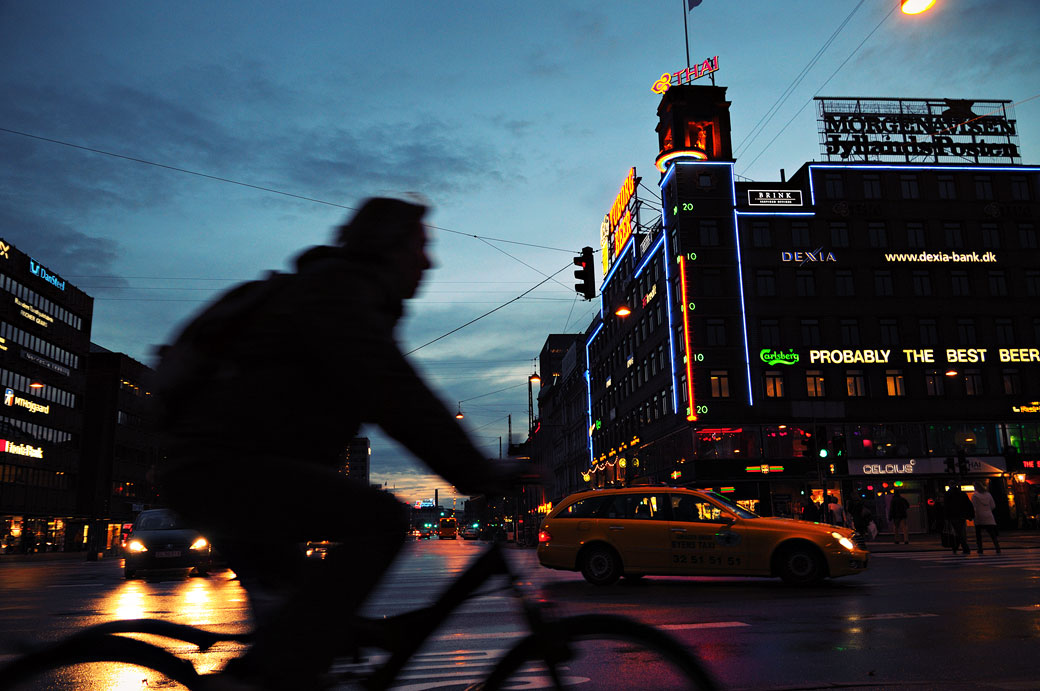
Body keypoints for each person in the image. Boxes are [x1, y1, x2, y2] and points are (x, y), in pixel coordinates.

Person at [154, 198, 525, 689]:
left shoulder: (337, 290)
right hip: (224, 470)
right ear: (387, 247)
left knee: (313, 633)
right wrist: (479, 472)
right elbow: (397, 395)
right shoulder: (338, 294)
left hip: (218, 468)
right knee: (382, 520)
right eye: (420, 246)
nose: (429, 261)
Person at [971, 480, 1001, 554]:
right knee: (992, 534)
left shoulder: (975, 496)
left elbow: (974, 506)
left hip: (979, 516)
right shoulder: (988, 495)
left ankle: (980, 548)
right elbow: (993, 505)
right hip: (988, 516)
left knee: (978, 534)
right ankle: (997, 548)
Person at [945, 484, 975, 555]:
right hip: (962, 515)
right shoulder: (962, 494)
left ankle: (958, 547)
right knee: (961, 532)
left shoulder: (948, 494)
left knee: (956, 532)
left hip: (953, 516)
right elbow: (968, 504)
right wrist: (970, 515)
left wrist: (946, 518)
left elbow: (946, 507)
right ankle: (962, 547)